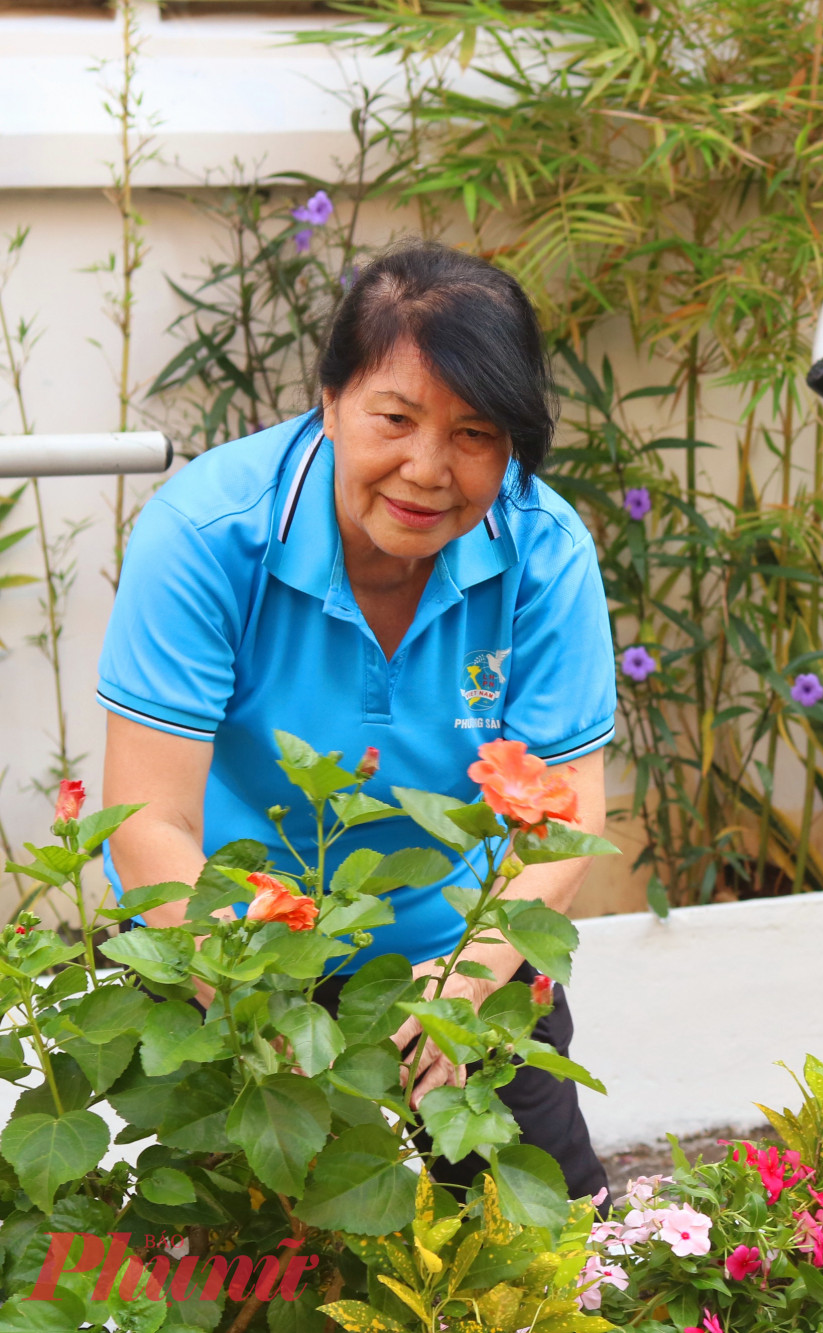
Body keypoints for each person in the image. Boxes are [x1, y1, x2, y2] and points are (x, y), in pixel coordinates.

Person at [98, 241, 616, 1200]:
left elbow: (565, 812)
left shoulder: (544, 551)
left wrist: (465, 981)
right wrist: (252, 1005)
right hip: (233, 952)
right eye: (396, 417)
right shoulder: (208, 533)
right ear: (329, 400)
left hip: (458, 956)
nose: (427, 470)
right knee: (230, 1267)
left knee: (551, 1254)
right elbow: (147, 821)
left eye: (475, 433)